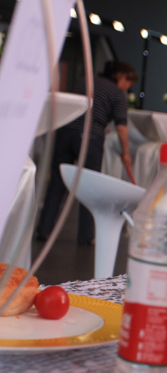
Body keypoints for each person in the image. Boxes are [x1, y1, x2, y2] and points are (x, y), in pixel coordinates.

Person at [36, 61, 137, 246]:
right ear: (122, 76)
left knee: (57, 181)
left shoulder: (84, 81)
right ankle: (86, 235)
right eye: (128, 82)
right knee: (89, 186)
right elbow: (121, 126)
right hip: (90, 137)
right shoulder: (117, 93)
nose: (127, 87)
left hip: (65, 132)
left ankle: (44, 229)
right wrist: (126, 153)